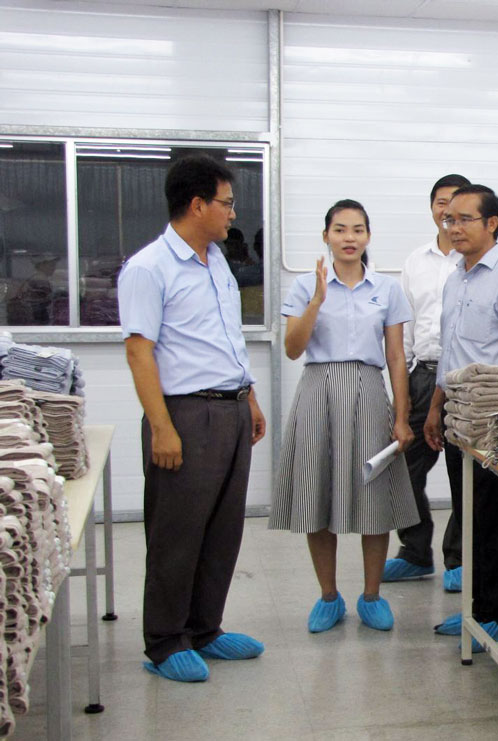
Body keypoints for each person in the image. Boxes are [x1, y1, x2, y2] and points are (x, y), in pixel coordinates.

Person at [117, 154, 267, 683]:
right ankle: (163, 642)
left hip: (228, 409)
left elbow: (226, 336)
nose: (232, 214)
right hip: (183, 413)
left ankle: (205, 629)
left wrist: (247, 394)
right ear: (198, 204)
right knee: (176, 532)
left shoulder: (217, 261)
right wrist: (161, 426)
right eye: (226, 203)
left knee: (222, 530)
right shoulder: (148, 267)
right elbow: (140, 353)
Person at [269, 199, 419, 633]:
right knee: (319, 492)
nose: (348, 238)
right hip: (318, 390)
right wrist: (317, 300)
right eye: (339, 229)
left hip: (370, 391)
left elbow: (395, 356)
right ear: (326, 237)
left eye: (357, 230)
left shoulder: (386, 289)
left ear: (368, 236)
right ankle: (328, 597)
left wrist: (402, 415)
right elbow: (293, 349)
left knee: (374, 498)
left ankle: (372, 596)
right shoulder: (304, 286)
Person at [423, 184, 498, 649]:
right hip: (457, 417)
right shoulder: (457, 278)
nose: (452, 228)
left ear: (491, 224)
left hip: (494, 422)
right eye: (448, 219)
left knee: (495, 520)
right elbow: (450, 351)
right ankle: (475, 610)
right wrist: (435, 408)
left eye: (463, 219)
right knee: (469, 518)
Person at [382, 174, 470, 589]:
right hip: (423, 373)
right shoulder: (415, 261)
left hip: (466, 380)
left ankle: (458, 559)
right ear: (432, 208)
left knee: (463, 471)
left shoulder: (474, 259)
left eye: (454, 202)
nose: (445, 209)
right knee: (405, 466)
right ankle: (416, 552)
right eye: (439, 201)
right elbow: (405, 323)